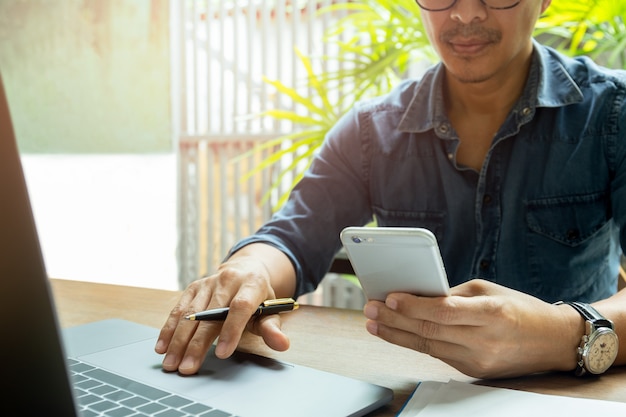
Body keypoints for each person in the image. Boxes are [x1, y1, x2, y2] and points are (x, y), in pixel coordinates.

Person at [156, 0, 626, 379]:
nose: (465, 13)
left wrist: (563, 334)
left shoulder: (612, 116)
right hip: (409, 389)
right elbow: (291, 240)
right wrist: (250, 269)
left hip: (569, 395)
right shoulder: (370, 132)